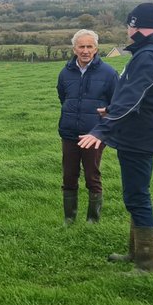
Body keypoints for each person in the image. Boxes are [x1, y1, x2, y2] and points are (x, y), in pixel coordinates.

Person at [78, 3, 153, 274]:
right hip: (142, 128)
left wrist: (102, 128)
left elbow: (134, 95)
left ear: (135, 26)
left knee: (137, 196)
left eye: (128, 26)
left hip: (139, 134)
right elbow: (142, 97)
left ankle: (146, 263)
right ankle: (135, 252)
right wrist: (112, 110)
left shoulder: (149, 56)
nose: (127, 31)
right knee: (135, 193)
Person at [57, 29, 116, 225]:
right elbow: (63, 97)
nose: (85, 50)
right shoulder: (65, 73)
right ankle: (69, 218)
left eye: (89, 46)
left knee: (92, 175)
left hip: (94, 134)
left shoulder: (108, 73)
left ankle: (93, 219)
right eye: (81, 46)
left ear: (96, 48)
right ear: (74, 49)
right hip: (69, 133)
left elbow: (115, 105)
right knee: (69, 176)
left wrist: (102, 128)